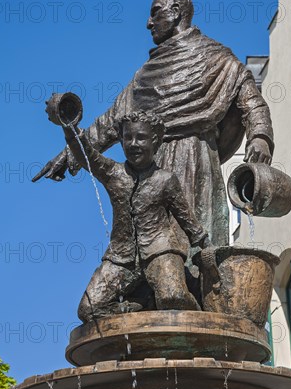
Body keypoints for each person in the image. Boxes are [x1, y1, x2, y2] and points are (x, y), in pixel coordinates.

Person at [33, 0, 274, 258]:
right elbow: (112, 121)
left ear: (176, 13)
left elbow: (251, 100)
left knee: (196, 251)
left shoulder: (216, 58)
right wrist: (68, 154)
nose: (148, 23)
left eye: (155, 12)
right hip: (151, 166)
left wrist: (260, 136)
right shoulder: (146, 74)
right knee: (150, 253)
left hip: (196, 161)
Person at [58, 110, 208, 322]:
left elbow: (188, 221)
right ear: (121, 141)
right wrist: (69, 127)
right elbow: (85, 155)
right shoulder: (112, 173)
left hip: (160, 251)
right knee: (88, 310)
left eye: (141, 138)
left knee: (172, 298)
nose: (134, 144)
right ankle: (140, 307)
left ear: (155, 141)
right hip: (122, 258)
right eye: (128, 138)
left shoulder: (166, 180)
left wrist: (206, 247)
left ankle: (203, 317)